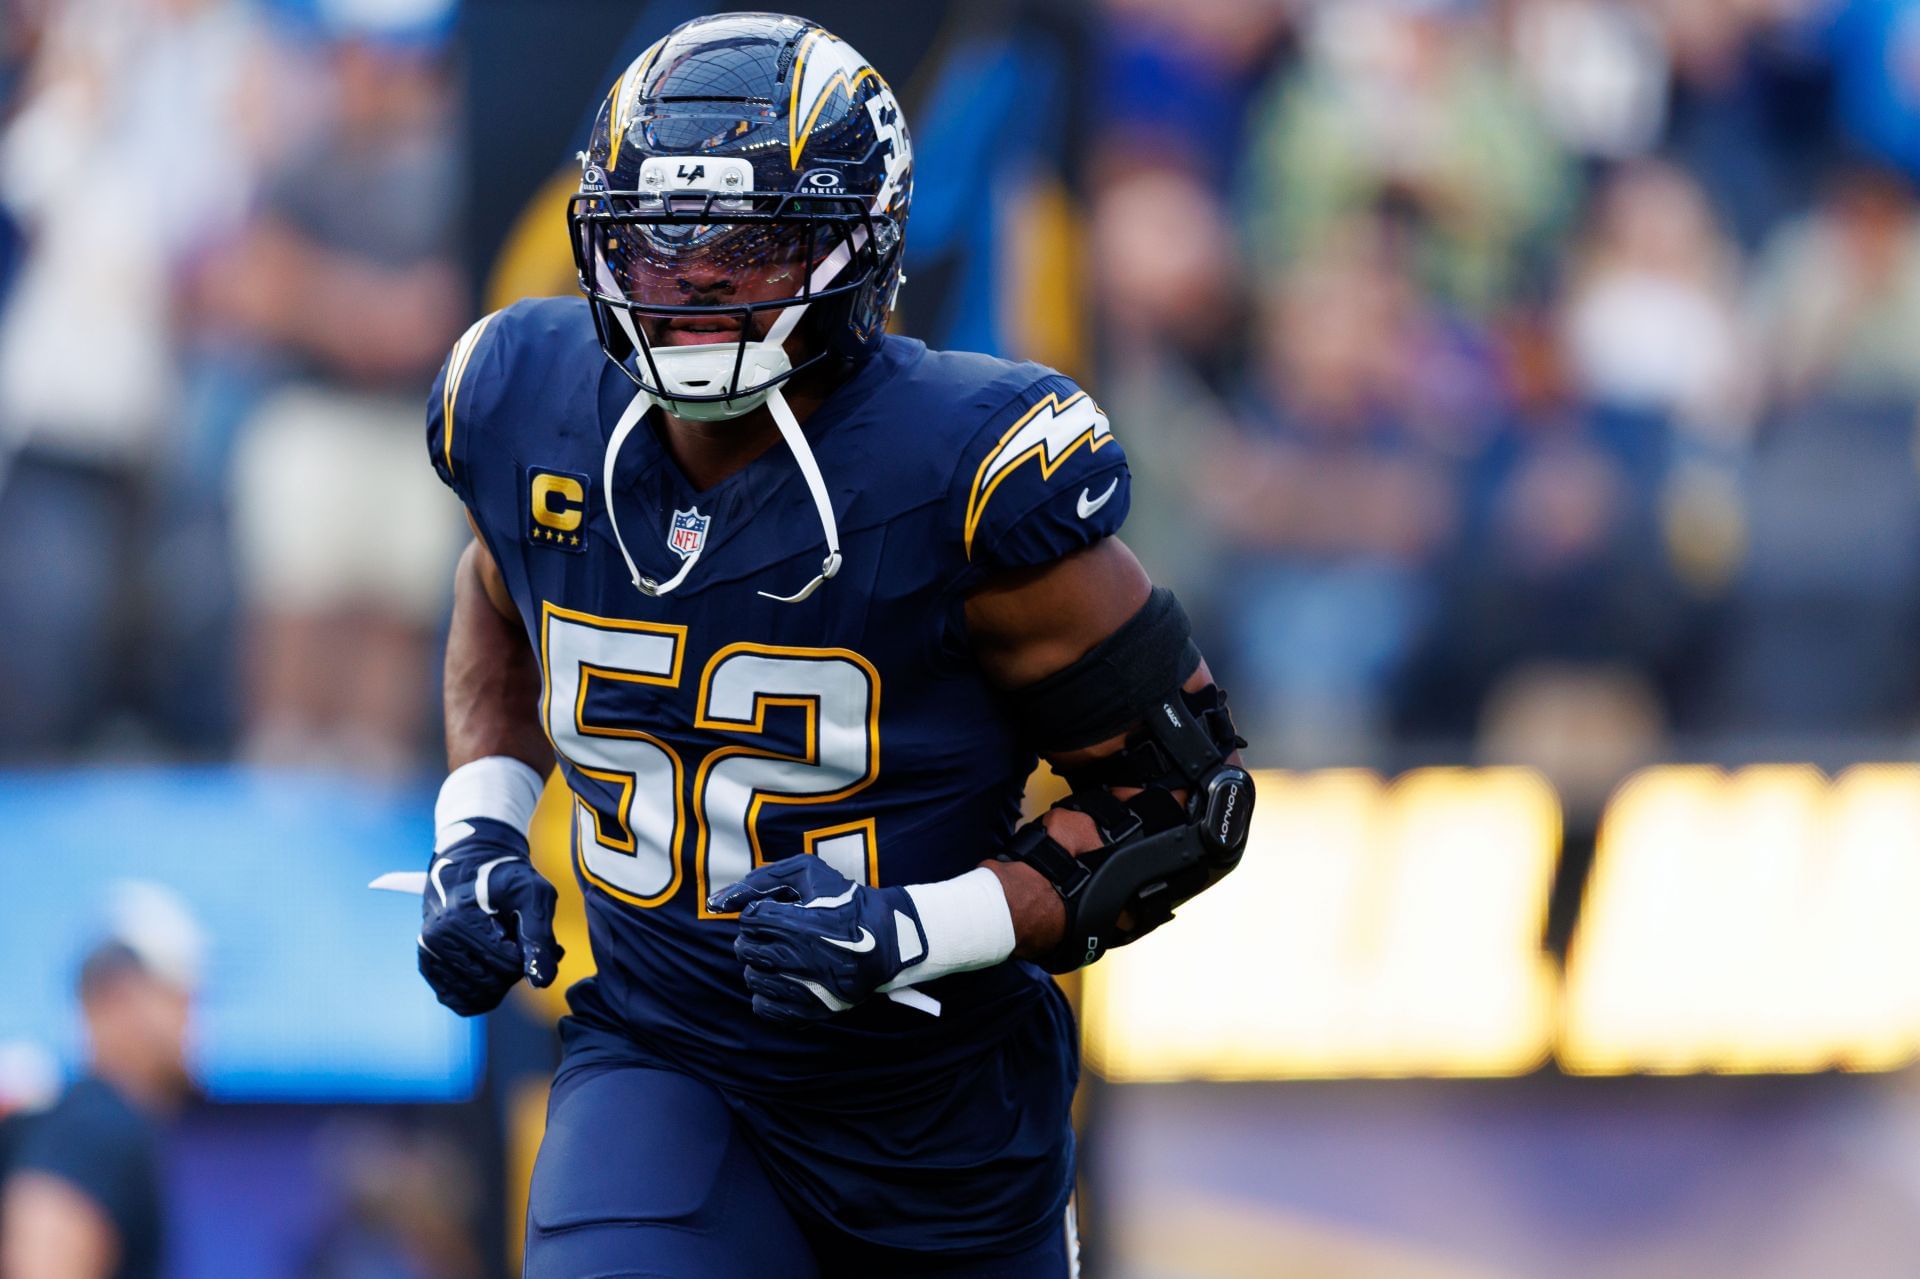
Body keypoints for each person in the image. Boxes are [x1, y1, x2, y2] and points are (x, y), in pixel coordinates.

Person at [403, 14, 1253, 1277]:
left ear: (857, 244)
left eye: (746, 245)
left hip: (938, 1124)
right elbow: (500, 593)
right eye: (654, 238)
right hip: (662, 1057)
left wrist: (919, 927)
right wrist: (477, 822)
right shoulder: (524, 404)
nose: (688, 286)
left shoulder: (960, 472)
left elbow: (1183, 804)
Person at [1, 886, 203, 1279]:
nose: (192, 1021)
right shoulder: (99, 1126)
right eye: (179, 998)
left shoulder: (87, 1120)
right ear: (116, 1000)